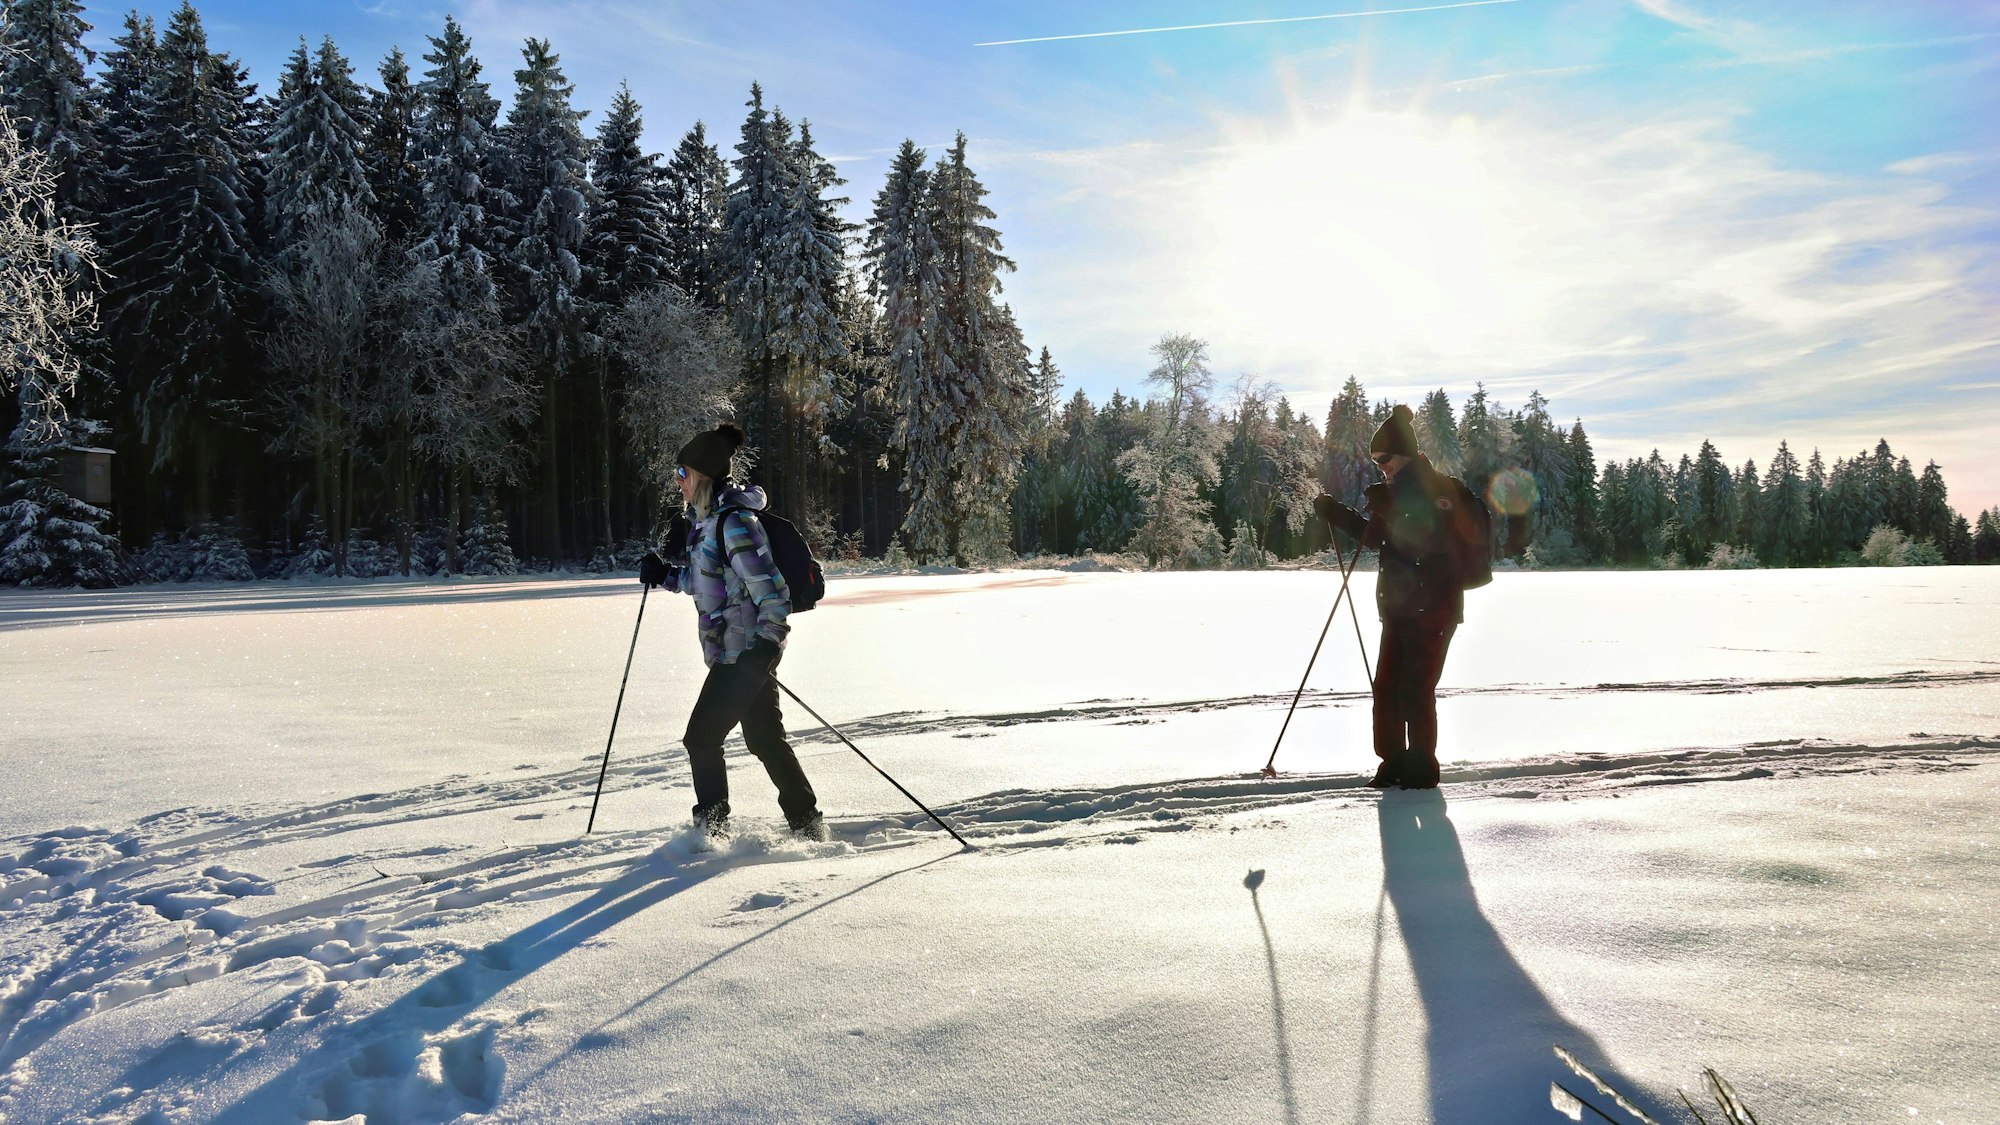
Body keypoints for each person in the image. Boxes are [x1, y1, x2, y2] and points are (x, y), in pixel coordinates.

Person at [639, 423, 827, 841]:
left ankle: (711, 833)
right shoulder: (706, 524)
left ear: (701, 476)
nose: (678, 481)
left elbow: (773, 594)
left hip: (742, 654)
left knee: (701, 738)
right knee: (765, 739)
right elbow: (708, 583)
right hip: (736, 650)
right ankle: (807, 823)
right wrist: (666, 575)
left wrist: (763, 648)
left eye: (683, 473)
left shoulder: (736, 524)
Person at [1313, 404, 1480, 790]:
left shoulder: (1440, 490)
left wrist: (1393, 509)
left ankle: (1421, 769)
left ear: (1405, 455)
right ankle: (1392, 762)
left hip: (1434, 609)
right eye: (1376, 461)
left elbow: (1432, 541)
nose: (1381, 467)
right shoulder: (1394, 492)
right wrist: (1335, 513)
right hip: (1398, 607)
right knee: (1386, 686)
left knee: (1416, 688)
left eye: (1385, 459)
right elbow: (1377, 539)